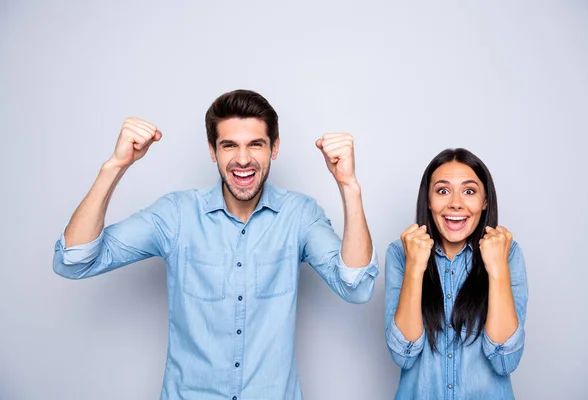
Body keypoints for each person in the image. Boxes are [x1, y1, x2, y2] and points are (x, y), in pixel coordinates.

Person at [53, 89, 378, 400]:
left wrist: (348, 185)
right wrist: (115, 166)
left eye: (256, 144)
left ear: (274, 148)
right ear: (212, 150)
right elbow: (75, 259)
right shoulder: (177, 215)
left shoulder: (299, 215)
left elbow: (355, 286)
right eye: (228, 145)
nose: (243, 159)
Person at [384, 148, 528, 400]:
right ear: (428, 200)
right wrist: (415, 268)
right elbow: (403, 355)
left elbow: (505, 360)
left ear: (485, 202)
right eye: (442, 190)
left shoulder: (508, 253)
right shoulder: (400, 253)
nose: (456, 203)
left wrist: (497, 270)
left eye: (469, 191)